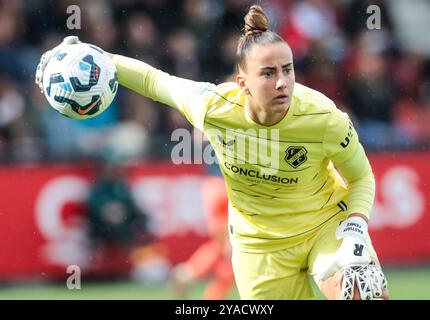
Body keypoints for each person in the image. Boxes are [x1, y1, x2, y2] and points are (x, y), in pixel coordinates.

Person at [35, 5, 388, 300]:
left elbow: (361, 176)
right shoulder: (213, 107)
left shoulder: (323, 117)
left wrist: (356, 225)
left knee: (362, 292)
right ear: (242, 83)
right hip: (259, 245)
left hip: (327, 225)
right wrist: (93, 56)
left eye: (287, 69)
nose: (282, 82)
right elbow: (154, 81)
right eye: (267, 73)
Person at [170, 176, 235, 300]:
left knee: (221, 253)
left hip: (221, 182)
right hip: (228, 183)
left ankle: (188, 273)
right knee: (226, 260)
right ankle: (188, 273)